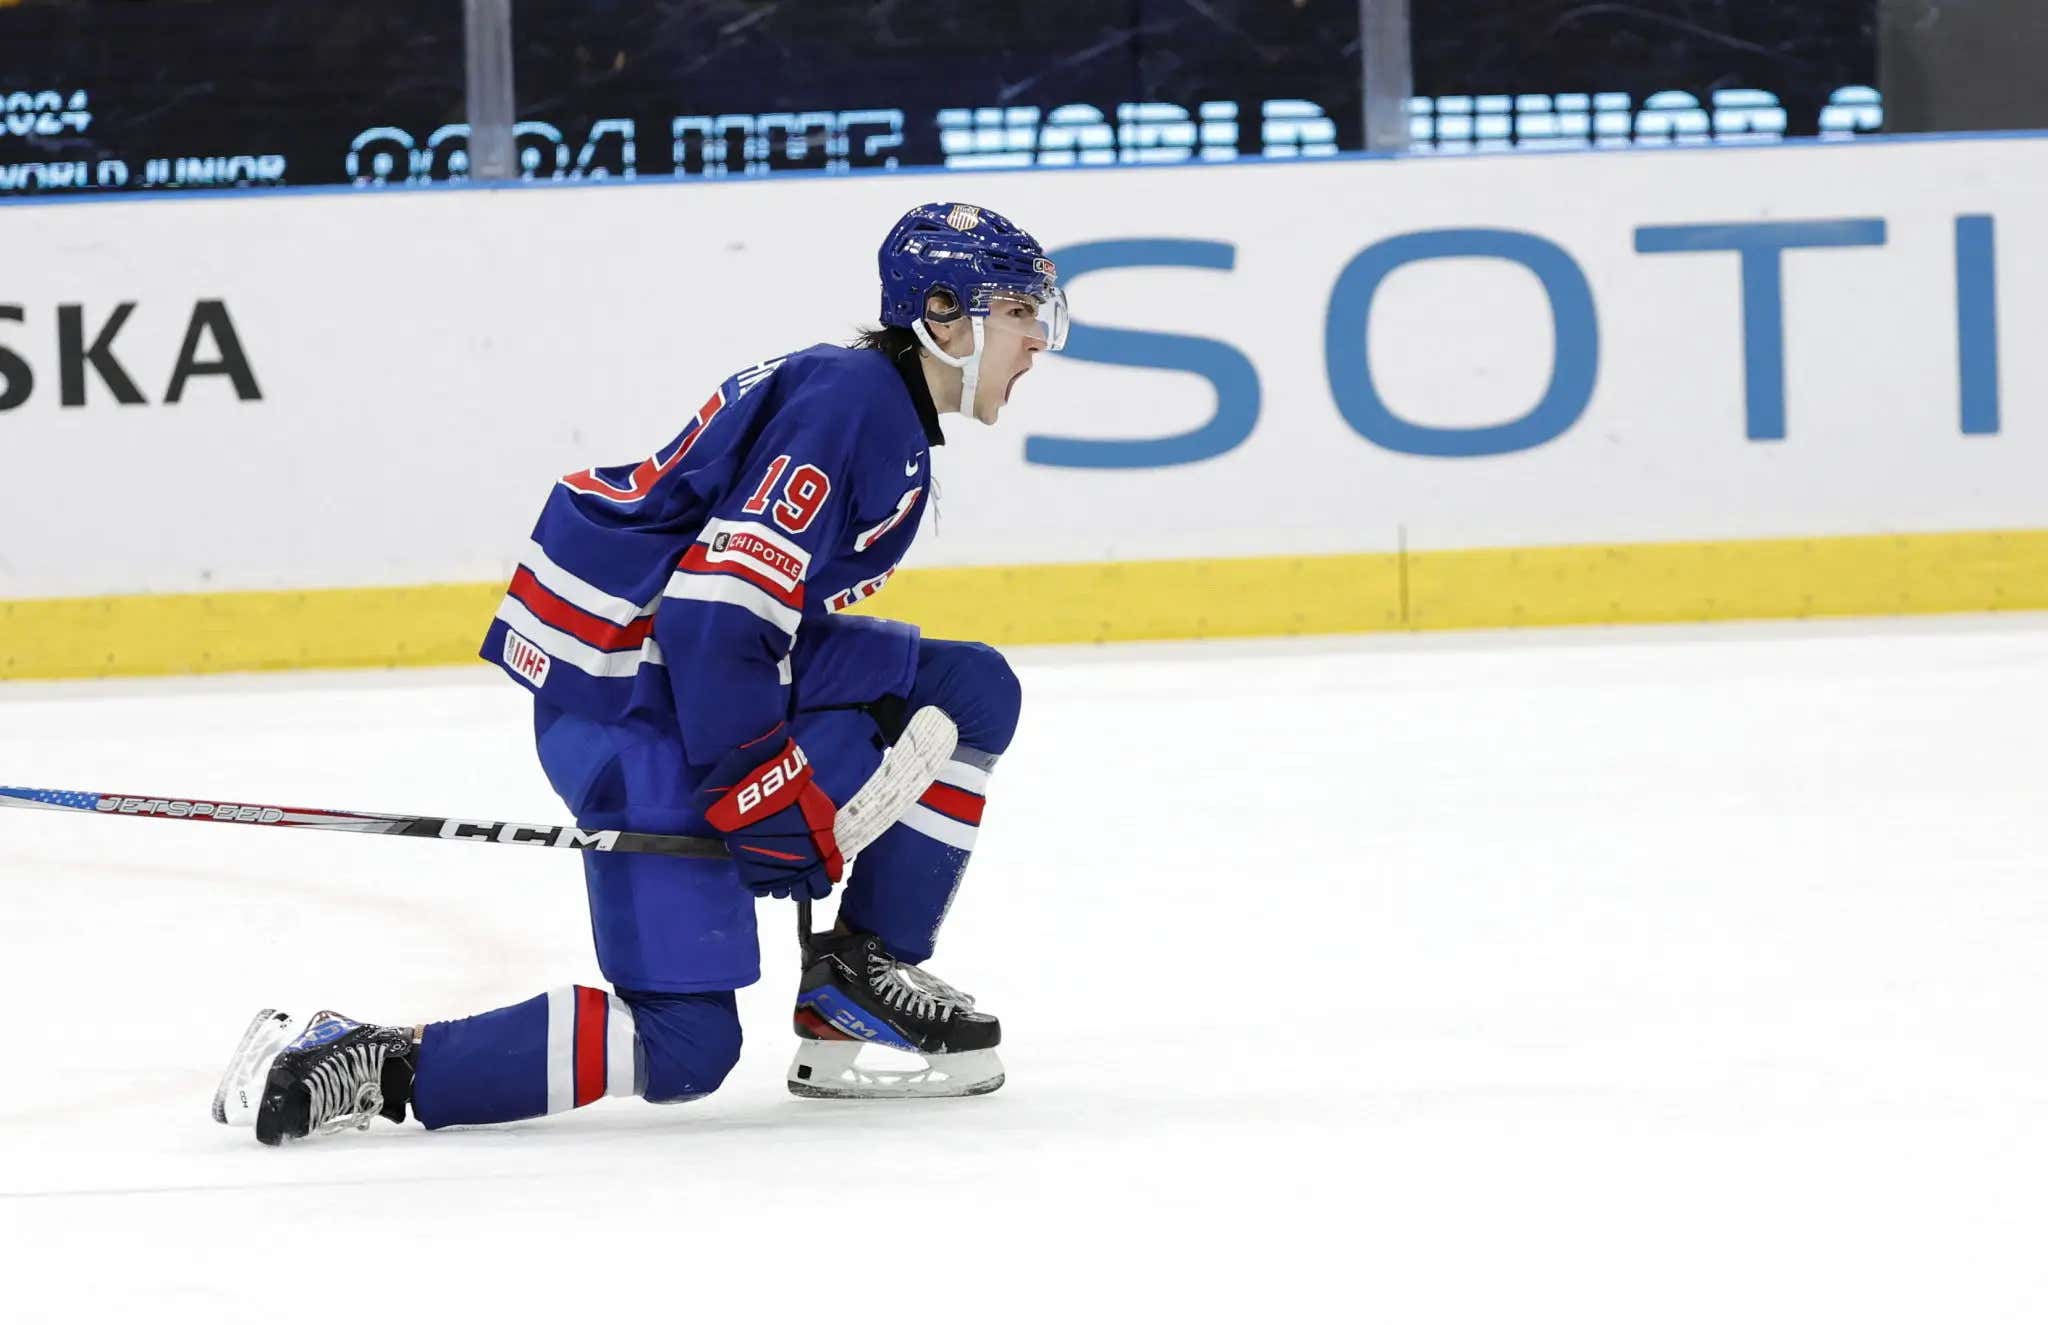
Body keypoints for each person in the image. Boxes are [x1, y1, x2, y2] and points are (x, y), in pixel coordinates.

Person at [212, 202, 1068, 1144]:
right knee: (685, 1044)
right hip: (638, 705)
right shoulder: (854, 401)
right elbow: (715, 617)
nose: (1038, 340)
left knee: (970, 687)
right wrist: (759, 787)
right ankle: (374, 1057)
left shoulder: (874, 407)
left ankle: (857, 981)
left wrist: (778, 777)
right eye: (1020, 310)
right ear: (943, 312)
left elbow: (749, 612)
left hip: (669, 680)